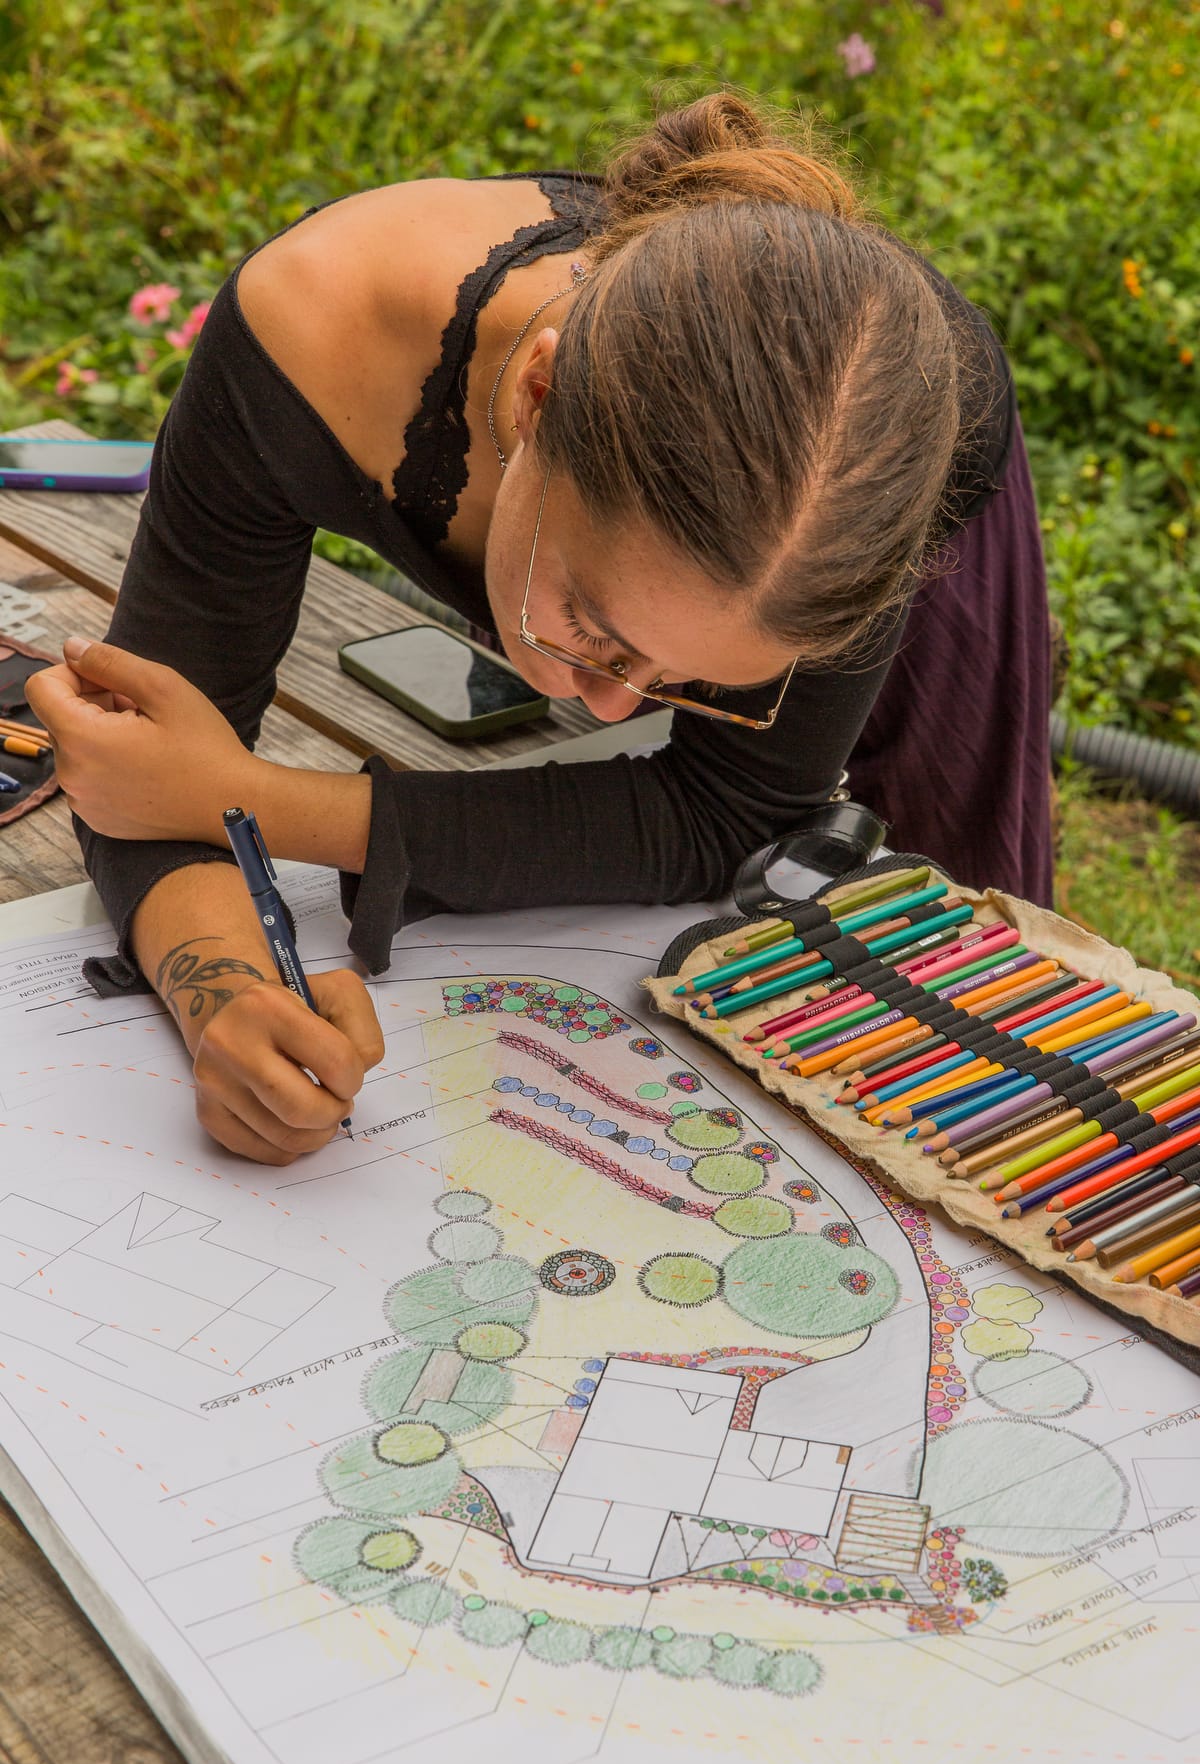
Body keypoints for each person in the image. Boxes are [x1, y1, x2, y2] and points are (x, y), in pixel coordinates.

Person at [27, 92, 1053, 1168]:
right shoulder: (311, 331)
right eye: (595, 629)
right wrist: (226, 994)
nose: (608, 710)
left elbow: (733, 807)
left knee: (949, 977)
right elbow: (134, 761)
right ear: (537, 391)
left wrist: (245, 796)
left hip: (911, 471)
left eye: (694, 682)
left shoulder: (859, 509)